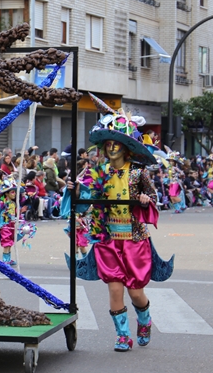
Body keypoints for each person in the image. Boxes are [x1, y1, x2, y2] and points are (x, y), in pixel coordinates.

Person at [66, 102, 164, 352]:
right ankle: (122, 335)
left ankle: (144, 320)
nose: (111, 147)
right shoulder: (97, 172)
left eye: (116, 142)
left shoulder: (138, 173)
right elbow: (82, 205)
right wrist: (75, 192)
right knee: (115, 290)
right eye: (107, 143)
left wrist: (145, 200)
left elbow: (154, 200)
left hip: (134, 239)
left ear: (126, 146)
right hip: (107, 239)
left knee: (135, 293)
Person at [0, 178, 35, 267]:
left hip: (12, 225)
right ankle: (5, 261)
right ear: (6, 193)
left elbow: (14, 214)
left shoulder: (13, 203)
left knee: (10, 242)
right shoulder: (2, 203)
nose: (14, 194)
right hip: (5, 225)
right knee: (6, 243)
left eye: (15, 192)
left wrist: (19, 219)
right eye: (12, 192)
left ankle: (8, 259)